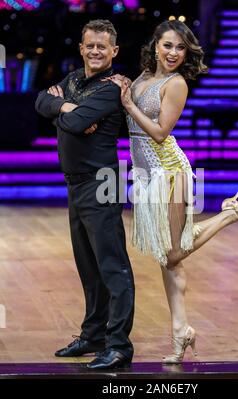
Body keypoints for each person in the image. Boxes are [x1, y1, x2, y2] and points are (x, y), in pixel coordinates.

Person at [107, 20, 238, 364]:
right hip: (145, 174)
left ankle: (229, 214)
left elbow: (161, 132)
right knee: (168, 258)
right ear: (155, 46)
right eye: (168, 45)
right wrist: (122, 88)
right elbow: (131, 117)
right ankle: (181, 333)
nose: (174, 53)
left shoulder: (176, 84)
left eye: (180, 48)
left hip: (170, 172)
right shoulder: (143, 77)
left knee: (174, 253)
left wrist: (130, 105)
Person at [35, 19, 135, 370]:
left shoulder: (111, 88)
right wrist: (65, 109)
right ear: (81, 47)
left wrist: (63, 112)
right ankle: (94, 334)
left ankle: (119, 344)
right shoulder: (74, 80)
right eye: (89, 45)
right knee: (88, 266)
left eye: (102, 47)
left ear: (114, 51)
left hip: (102, 180)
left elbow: (76, 125)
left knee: (112, 267)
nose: (95, 51)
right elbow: (40, 101)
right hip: (77, 183)